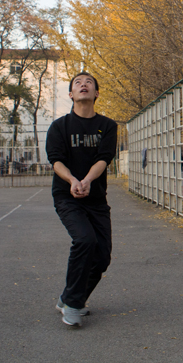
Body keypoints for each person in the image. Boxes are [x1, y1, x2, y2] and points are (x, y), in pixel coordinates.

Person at [46, 71, 118, 327]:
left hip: (96, 198)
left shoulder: (108, 126)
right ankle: (74, 305)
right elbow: (56, 161)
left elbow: (104, 158)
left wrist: (87, 181)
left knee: (102, 257)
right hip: (67, 197)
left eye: (88, 82)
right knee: (85, 240)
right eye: (77, 83)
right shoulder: (59, 127)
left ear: (96, 93)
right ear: (71, 94)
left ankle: (68, 297)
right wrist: (73, 182)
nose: (83, 84)